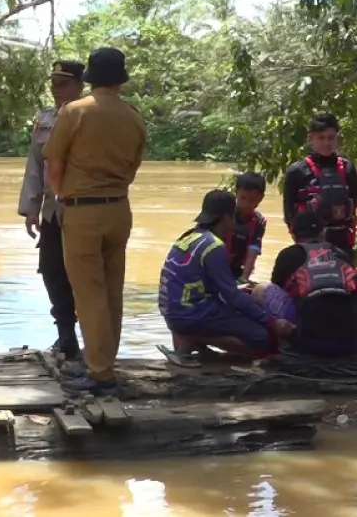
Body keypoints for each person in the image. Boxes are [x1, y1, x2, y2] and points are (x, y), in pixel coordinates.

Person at [42, 47, 147, 395]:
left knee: (88, 293)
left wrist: (63, 196)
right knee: (112, 289)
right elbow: (133, 169)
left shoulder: (75, 112)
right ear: (119, 80)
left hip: (83, 211)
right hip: (120, 208)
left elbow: (53, 164)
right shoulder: (134, 117)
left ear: (91, 79)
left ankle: (100, 372)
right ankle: (106, 363)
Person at [158, 190, 294, 365]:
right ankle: (194, 338)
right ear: (226, 218)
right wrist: (271, 322)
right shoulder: (214, 246)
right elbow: (233, 297)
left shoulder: (189, 237)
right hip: (192, 314)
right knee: (264, 339)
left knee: (245, 314)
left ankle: (194, 338)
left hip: (174, 312)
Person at [18, 59, 86, 362]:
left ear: (79, 86)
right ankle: (66, 335)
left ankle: (94, 342)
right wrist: (31, 207)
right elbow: (35, 164)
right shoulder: (44, 119)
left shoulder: (89, 115)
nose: (55, 89)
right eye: (53, 83)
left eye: (63, 83)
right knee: (52, 271)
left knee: (83, 276)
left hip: (82, 210)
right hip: (52, 211)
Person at [270, 210, 357, 357]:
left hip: (305, 339)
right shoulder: (340, 253)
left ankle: (272, 341)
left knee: (263, 290)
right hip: (351, 340)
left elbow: (276, 287)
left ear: (293, 235)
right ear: (323, 233)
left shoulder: (287, 256)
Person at [282, 113, 357, 264]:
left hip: (342, 244)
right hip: (309, 246)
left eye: (331, 138)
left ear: (337, 138)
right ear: (311, 138)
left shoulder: (348, 169)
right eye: (321, 138)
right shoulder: (296, 171)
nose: (326, 143)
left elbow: (353, 204)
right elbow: (289, 215)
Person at [229, 172, 268, 281]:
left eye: (252, 200)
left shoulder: (259, 222)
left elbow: (253, 250)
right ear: (236, 193)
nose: (246, 204)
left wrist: (244, 278)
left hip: (236, 269)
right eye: (243, 198)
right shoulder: (225, 213)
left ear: (261, 198)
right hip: (215, 265)